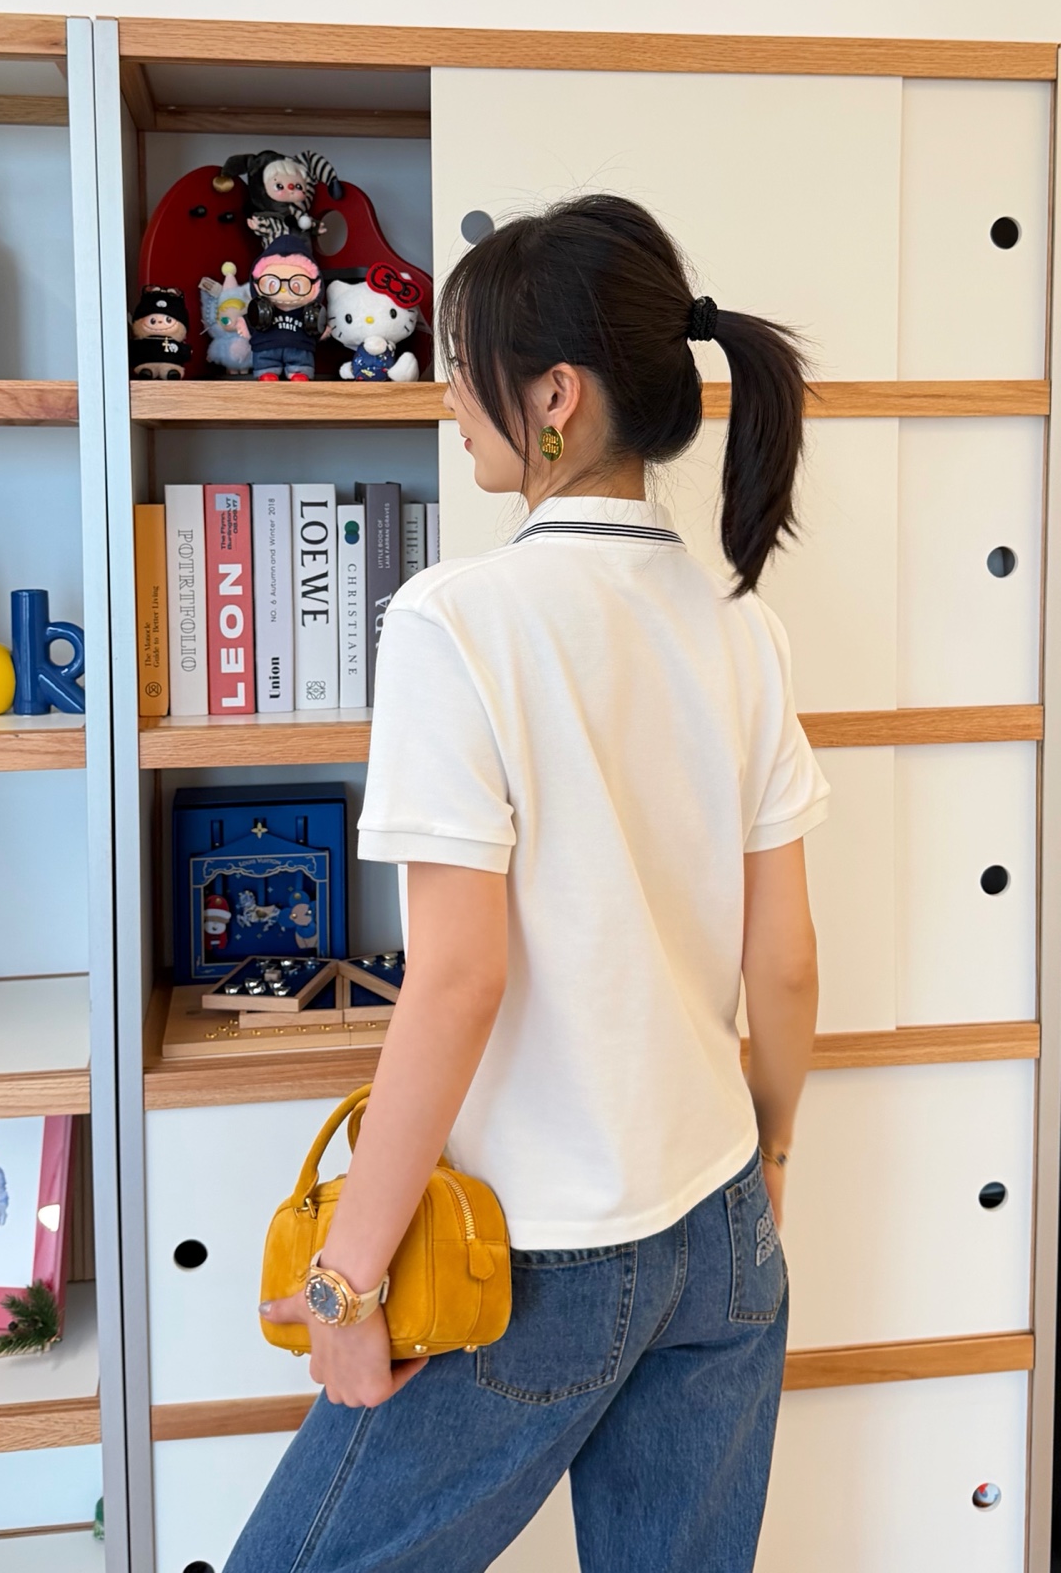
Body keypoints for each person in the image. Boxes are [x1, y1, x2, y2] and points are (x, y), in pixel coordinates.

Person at [226, 194, 827, 1573]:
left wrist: (345, 1279)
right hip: (722, 1220)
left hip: (530, 1258)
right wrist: (775, 1164)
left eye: (465, 366)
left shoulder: (455, 620)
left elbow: (458, 980)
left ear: (555, 396)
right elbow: (787, 961)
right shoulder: (742, 628)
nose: (448, 395)